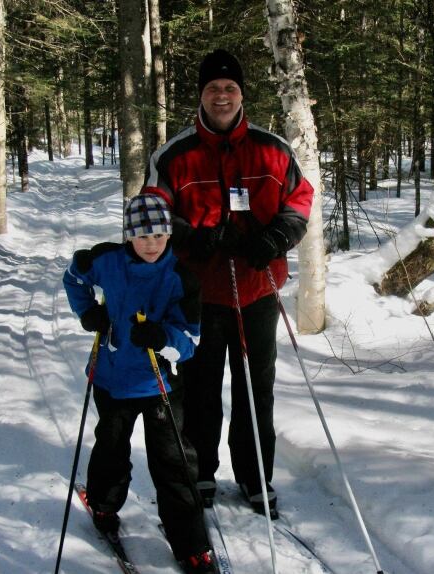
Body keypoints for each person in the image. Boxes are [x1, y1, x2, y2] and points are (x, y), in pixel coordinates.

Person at [144, 49, 314, 516]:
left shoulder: (272, 148)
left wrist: (277, 236)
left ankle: (255, 475)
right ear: (201, 95)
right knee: (199, 388)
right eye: (213, 89)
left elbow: (300, 200)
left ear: (241, 94)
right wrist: (192, 238)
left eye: (230, 88)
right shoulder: (173, 154)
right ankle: (199, 471)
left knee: (255, 388)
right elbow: (152, 212)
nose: (222, 96)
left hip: (257, 289)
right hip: (197, 294)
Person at [62, 193, 217, 574]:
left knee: (174, 461)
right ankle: (103, 505)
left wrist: (162, 336)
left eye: (160, 236)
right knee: (112, 447)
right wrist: (89, 312)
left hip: (160, 382)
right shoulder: (106, 260)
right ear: (129, 235)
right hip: (113, 378)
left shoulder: (181, 278)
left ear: (169, 236)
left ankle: (192, 544)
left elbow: (190, 343)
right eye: (143, 236)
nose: (152, 244)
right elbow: (74, 276)